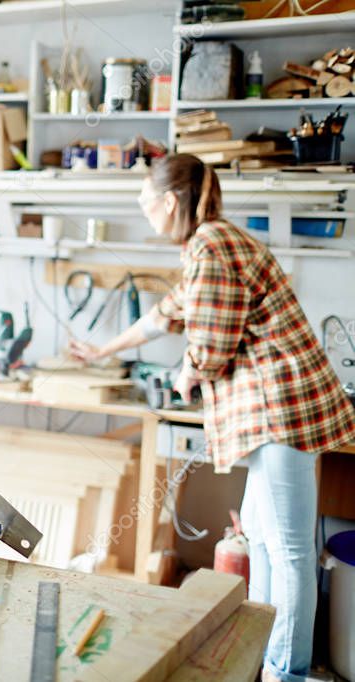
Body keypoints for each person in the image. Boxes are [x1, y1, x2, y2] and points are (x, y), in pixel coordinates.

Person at [69, 153, 355, 682]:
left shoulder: (212, 245)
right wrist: (101, 351)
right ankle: (267, 657)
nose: (146, 214)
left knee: (290, 550)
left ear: (170, 201)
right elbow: (164, 316)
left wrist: (187, 373)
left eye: (146, 204)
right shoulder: (211, 245)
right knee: (267, 542)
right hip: (271, 413)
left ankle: (285, 671)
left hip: (281, 409)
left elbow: (212, 345)